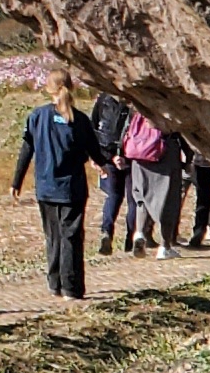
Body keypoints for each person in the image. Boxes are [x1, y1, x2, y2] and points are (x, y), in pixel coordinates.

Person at [10, 74, 100, 300]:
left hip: (46, 187)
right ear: (72, 88)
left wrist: (16, 182)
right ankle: (72, 288)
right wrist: (105, 163)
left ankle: (55, 284)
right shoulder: (79, 120)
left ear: (48, 89)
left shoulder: (37, 117)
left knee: (53, 236)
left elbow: (26, 151)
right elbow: (94, 151)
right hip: (72, 188)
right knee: (71, 237)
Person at [117, 102, 178, 262]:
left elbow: (125, 130)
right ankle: (165, 246)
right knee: (166, 200)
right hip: (163, 155)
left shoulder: (137, 107)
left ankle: (140, 233)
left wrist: (119, 153)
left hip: (139, 157)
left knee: (141, 198)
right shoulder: (166, 106)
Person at [91, 89, 135, 255]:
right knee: (134, 199)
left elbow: (92, 128)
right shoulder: (134, 101)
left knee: (114, 196)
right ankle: (131, 240)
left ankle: (106, 231)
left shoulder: (103, 99)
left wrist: (97, 157)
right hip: (131, 155)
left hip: (106, 153)